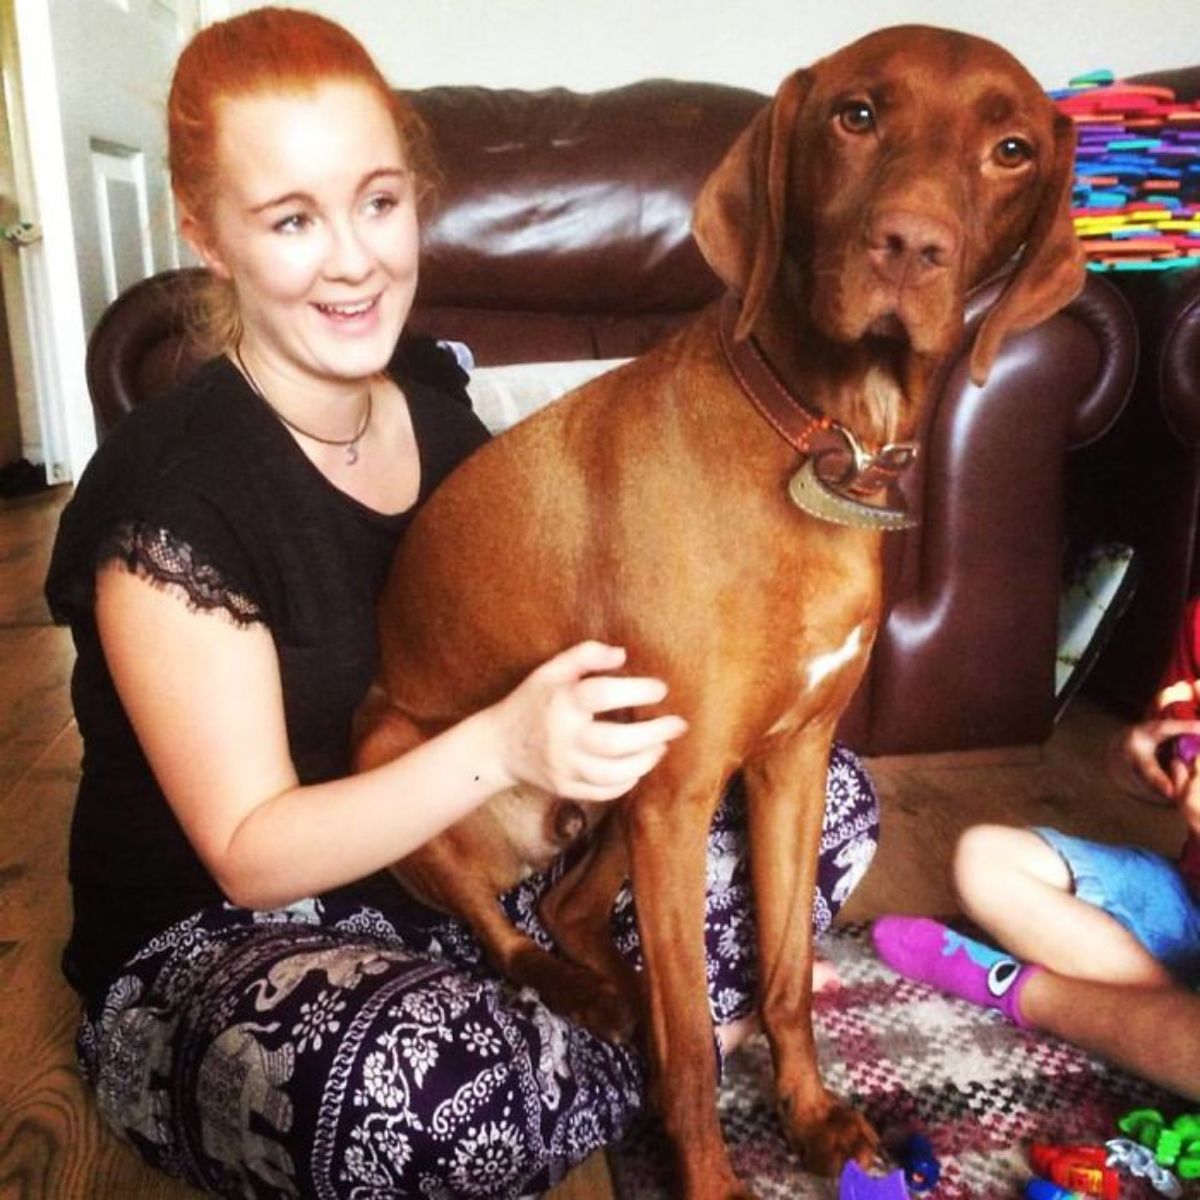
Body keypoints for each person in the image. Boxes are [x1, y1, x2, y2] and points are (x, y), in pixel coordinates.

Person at [45, 9, 881, 1197]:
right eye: (292, 220)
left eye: (379, 203)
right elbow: (251, 857)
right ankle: (639, 1055)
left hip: (463, 881)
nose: (353, 259)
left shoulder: (441, 414)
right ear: (208, 235)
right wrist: (508, 744)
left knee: (834, 801)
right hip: (224, 945)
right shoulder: (176, 489)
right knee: (423, 1092)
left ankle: (587, 1035)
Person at [872, 600, 1200, 1103]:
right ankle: (1168, 1022)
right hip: (1186, 904)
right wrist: (1135, 761)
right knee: (984, 861)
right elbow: (1156, 758)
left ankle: (1018, 989)